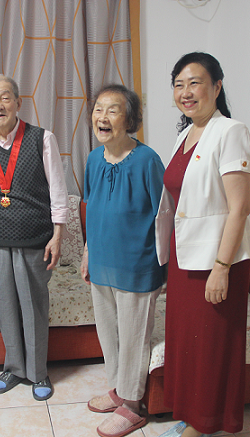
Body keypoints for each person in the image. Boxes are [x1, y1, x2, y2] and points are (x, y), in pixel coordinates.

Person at [156, 52, 250, 437]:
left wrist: (221, 267)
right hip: (185, 258)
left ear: (217, 87)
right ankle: (190, 414)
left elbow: (240, 208)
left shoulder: (231, 131)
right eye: (178, 85)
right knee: (188, 342)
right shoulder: (185, 135)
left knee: (212, 346)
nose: (185, 92)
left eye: (194, 83)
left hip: (216, 260)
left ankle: (205, 424)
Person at [0, 75, 69, 402]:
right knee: (5, 304)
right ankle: (13, 368)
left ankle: (38, 372)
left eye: (5, 97)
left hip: (34, 238)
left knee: (33, 305)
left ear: (18, 103)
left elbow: (58, 190)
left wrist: (58, 236)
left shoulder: (42, 138)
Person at [80, 84, 165, 437]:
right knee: (109, 332)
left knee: (132, 336)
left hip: (137, 265)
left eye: (112, 110)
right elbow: (91, 209)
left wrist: (166, 266)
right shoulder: (93, 159)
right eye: (98, 109)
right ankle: (118, 388)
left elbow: (164, 215)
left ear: (129, 120)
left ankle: (132, 405)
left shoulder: (147, 160)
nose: (103, 116)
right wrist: (88, 253)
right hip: (101, 262)